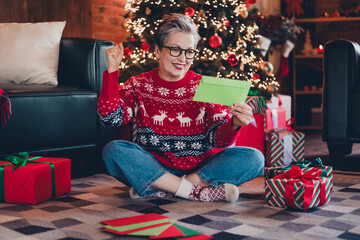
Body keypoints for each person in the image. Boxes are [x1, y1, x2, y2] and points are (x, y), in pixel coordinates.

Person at [98, 13, 264, 202]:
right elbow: (110, 118)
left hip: (201, 169)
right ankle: (196, 191)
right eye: (175, 50)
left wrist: (234, 124)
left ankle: (162, 187)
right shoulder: (138, 85)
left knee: (254, 158)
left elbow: (218, 140)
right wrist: (112, 71)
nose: (183, 59)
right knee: (113, 151)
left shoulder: (205, 86)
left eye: (189, 51)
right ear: (158, 51)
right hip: (155, 166)